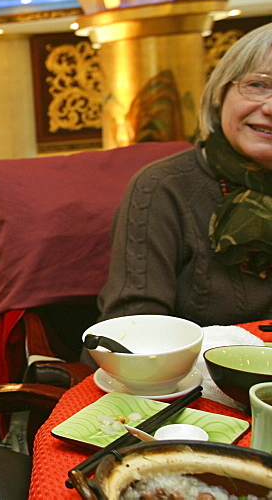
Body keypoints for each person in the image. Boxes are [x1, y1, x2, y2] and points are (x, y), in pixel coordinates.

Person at [98, 22, 272, 326]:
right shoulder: (163, 188)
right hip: (191, 372)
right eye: (258, 85)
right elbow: (134, 327)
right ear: (220, 93)